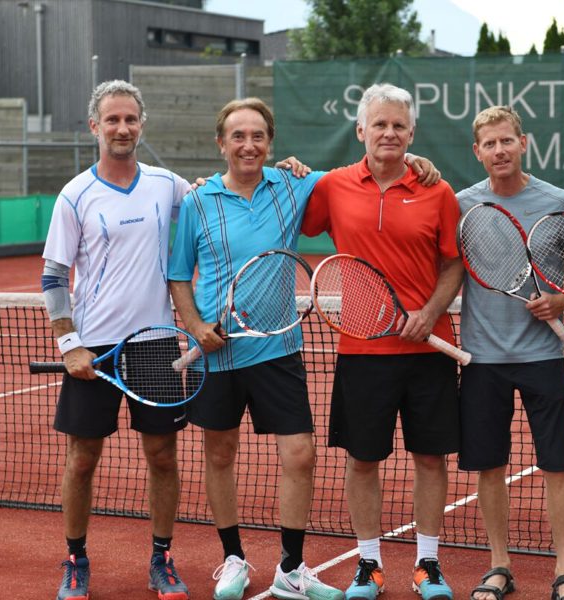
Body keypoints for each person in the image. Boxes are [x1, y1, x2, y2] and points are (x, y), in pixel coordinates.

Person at [167, 97, 441, 600]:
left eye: (257, 136)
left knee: (300, 456)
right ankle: (233, 559)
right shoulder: (197, 201)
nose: (248, 145)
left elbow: (373, 165)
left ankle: (291, 569)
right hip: (216, 352)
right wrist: (195, 324)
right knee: (220, 454)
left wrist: (415, 162)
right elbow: (179, 274)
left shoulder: (294, 185)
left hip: (278, 350)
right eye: (237, 136)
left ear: (270, 143)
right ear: (220, 143)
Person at [301, 83, 464, 600]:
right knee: (362, 461)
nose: (389, 133)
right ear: (361, 131)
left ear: (411, 133)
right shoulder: (333, 186)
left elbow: (454, 262)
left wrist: (431, 312)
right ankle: (367, 565)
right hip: (362, 350)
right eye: (380, 125)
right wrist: (290, 173)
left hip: (428, 349)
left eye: (399, 126)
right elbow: (289, 213)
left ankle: (428, 565)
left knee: (431, 459)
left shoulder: (437, 191)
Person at [42, 80, 191, 600]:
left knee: (163, 458)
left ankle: (162, 558)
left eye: (130, 119)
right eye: (112, 120)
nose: (122, 128)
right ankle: (76, 560)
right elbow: (54, 276)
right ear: (95, 127)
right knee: (82, 459)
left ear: (141, 124)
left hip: (154, 343)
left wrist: (282, 172)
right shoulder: (75, 194)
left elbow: (218, 205)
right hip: (95, 350)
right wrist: (70, 345)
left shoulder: (168, 185)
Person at [455, 106, 564, 600]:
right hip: (482, 360)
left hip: (543, 357)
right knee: (490, 467)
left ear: (523, 142)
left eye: (506, 141)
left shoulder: (557, 200)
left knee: (558, 465)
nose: (499, 151)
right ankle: (499, 566)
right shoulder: (462, 204)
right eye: (489, 144)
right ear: (477, 152)